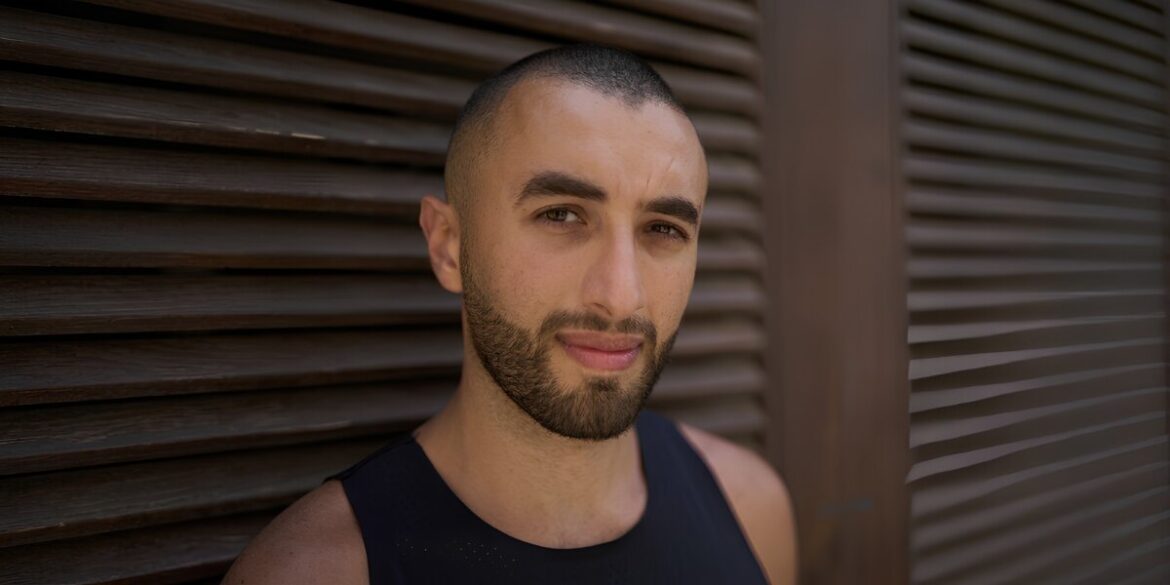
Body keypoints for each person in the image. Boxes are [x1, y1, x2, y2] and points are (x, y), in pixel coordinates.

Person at [224, 43, 795, 585]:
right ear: (449, 245)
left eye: (664, 230)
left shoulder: (749, 504)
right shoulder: (318, 571)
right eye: (562, 216)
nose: (622, 297)